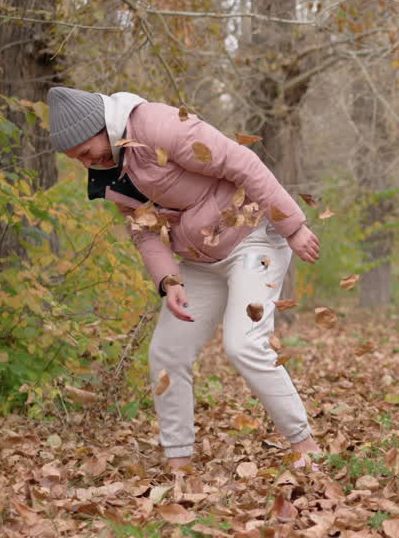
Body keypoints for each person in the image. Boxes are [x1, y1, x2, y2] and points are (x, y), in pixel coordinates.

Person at [48, 86, 322, 470]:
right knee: (166, 352)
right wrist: (169, 280)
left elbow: (241, 162)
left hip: (253, 236)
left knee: (243, 345)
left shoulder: (157, 126)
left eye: (83, 151)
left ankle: (304, 444)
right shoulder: (108, 170)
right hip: (199, 261)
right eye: (74, 159)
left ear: (99, 126)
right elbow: (144, 229)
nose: (84, 163)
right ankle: (179, 460)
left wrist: (292, 225)